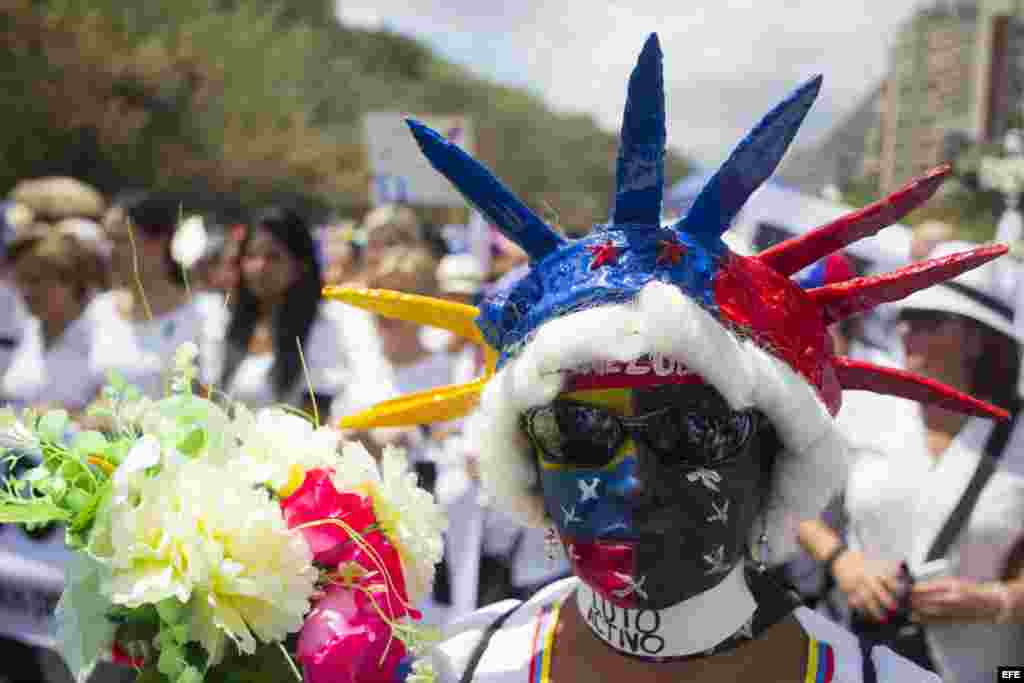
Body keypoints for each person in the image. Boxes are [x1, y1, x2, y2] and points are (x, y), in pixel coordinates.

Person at [323, 35, 999, 681]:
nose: (634, 480)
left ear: (773, 460)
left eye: (690, 431)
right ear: (528, 458)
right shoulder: (454, 669)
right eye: (579, 433)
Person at [799, 239, 1024, 681]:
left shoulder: (1019, 436)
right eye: (904, 317)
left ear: (977, 339)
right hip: (858, 657)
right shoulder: (863, 409)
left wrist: (997, 601)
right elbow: (792, 501)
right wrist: (843, 561)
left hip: (983, 669)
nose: (905, 331)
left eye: (927, 321)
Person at [206, 207, 345, 413]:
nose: (260, 267)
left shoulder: (323, 327)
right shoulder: (225, 323)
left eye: (274, 257)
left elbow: (318, 418)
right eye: (251, 255)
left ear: (300, 265)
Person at [89, 192, 207, 401]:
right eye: (106, 240)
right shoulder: (98, 310)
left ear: (159, 241)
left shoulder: (203, 315)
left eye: (120, 240)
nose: (109, 251)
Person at [2, 227, 106, 412]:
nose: (25, 291)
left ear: (70, 280)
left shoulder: (104, 334)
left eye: (35, 281)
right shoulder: (23, 331)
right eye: (21, 281)